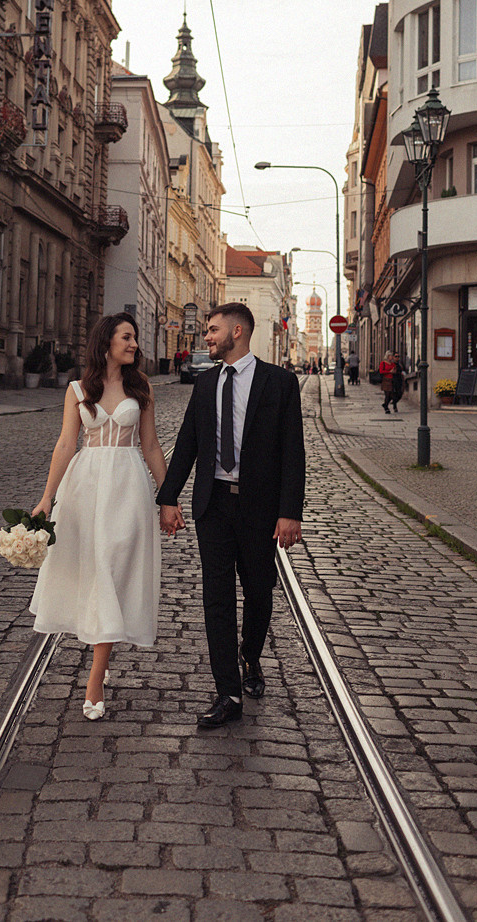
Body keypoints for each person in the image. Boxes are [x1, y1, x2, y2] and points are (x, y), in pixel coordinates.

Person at [156, 303, 305, 729]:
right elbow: (186, 444)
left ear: (237, 331)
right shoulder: (205, 384)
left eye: (212, 330)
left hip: (259, 508)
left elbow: (293, 451)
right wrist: (169, 499)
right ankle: (228, 692)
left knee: (259, 591)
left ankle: (251, 656)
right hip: (214, 505)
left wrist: (289, 512)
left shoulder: (279, 382)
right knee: (216, 597)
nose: (206, 337)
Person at [29, 313, 169, 721]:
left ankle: (94, 678)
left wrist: (170, 497)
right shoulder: (77, 389)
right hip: (85, 488)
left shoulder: (141, 387)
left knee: (111, 568)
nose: (134, 344)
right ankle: (101, 665)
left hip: (127, 486)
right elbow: (65, 444)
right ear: (106, 341)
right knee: (94, 571)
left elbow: (152, 446)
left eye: (135, 338)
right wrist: (46, 497)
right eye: (127, 337)